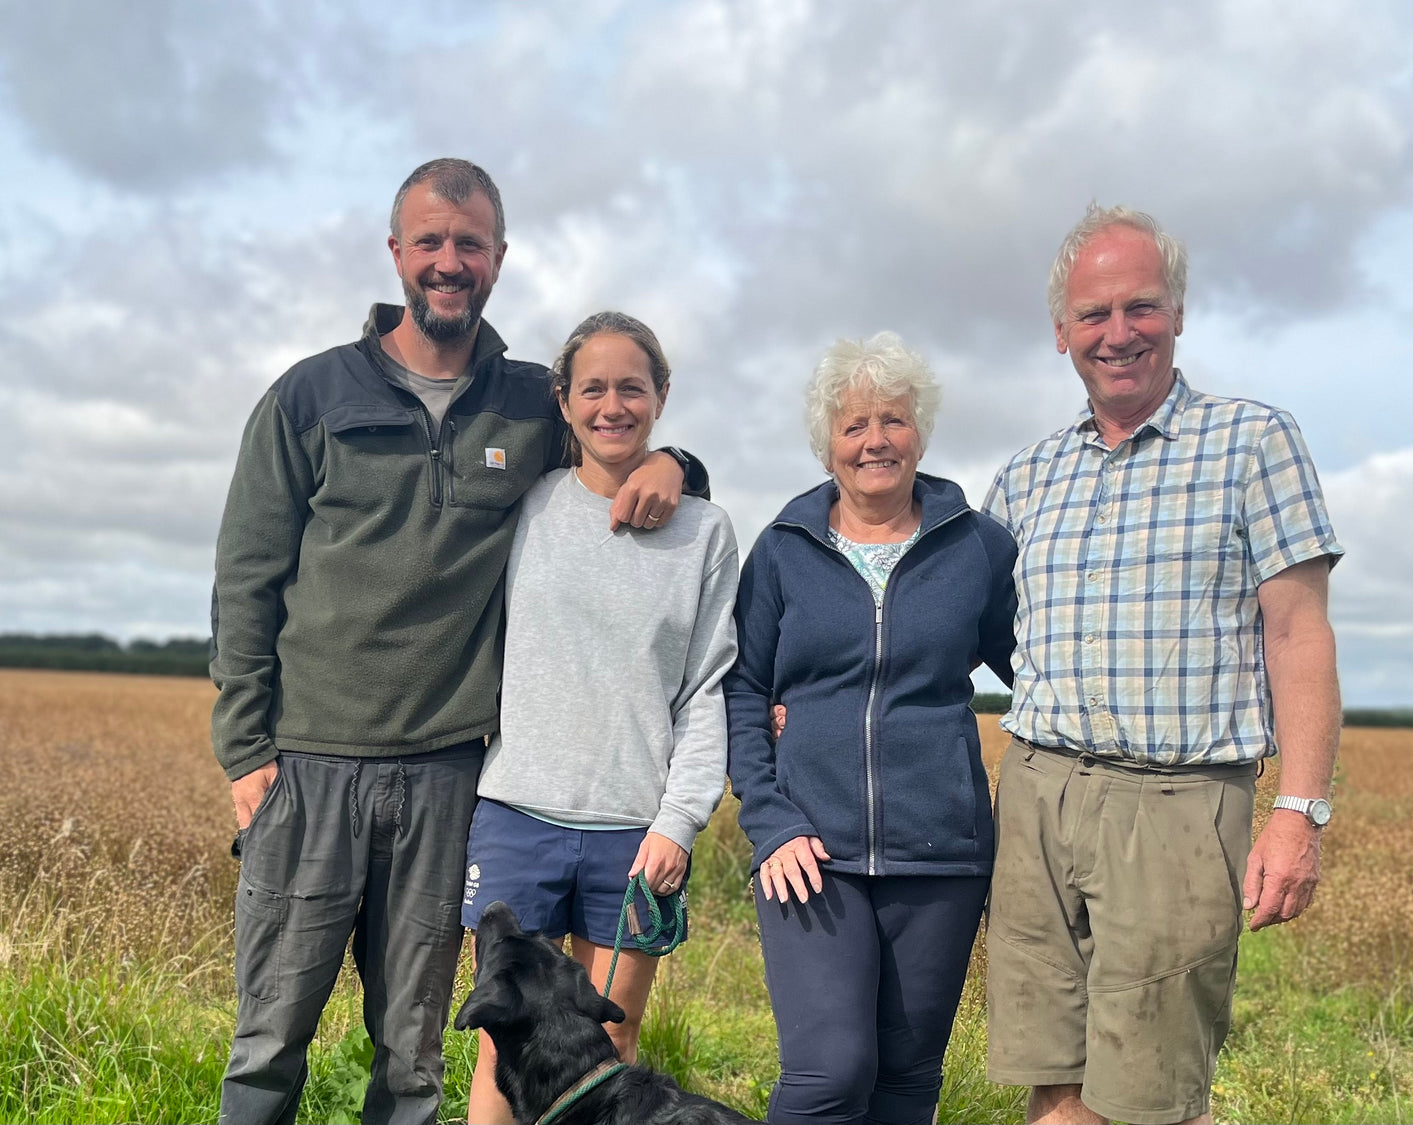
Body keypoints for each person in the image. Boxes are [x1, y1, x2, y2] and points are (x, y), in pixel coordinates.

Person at [210, 159, 705, 1125]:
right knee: (270, 1037)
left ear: (499, 259)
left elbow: (616, 440)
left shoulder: (531, 403)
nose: (449, 261)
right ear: (397, 252)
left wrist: (675, 461)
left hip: (448, 778)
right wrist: (246, 750)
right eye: (430, 241)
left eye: (469, 244)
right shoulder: (309, 397)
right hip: (309, 767)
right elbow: (245, 580)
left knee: (417, 1051)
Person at [983, 203, 1343, 1125]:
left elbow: (1299, 633)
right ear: (1061, 330)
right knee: (1052, 1078)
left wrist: (1297, 815)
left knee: (1151, 1095)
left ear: (1177, 312)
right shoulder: (1027, 476)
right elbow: (965, 624)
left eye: (1140, 307)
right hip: (1036, 793)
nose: (1119, 333)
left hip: (1179, 803)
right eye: (1095, 314)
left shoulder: (1253, 442)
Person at [725, 332, 1018, 1125]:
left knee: (907, 1077)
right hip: (810, 851)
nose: (875, 440)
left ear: (919, 432)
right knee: (831, 1073)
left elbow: (1037, 669)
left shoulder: (979, 548)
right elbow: (745, 689)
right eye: (854, 425)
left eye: (892, 420)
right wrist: (770, 818)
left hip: (942, 856)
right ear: (828, 444)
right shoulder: (783, 551)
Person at [461, 311, 739, 1124]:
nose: (612, 405)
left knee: (604, 1059)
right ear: (563, 398)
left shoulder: (707, 532)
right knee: (500, 1049)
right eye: (592, 387)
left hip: (634, 830)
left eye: (632, 387)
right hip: (518, 813)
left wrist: (679, 822)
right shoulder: (527, 504)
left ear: (661, 396)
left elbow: (705, 689)